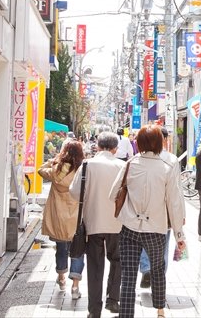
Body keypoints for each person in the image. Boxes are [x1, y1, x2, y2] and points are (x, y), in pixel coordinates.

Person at [110, 125, 186, 318]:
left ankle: (126, 315)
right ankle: (160, 311)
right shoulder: (168, 166)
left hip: (129, 228)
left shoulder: (131, 163)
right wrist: (179, 235)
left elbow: (113, 194)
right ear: (160, 142)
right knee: (158, 269)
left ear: (139, 143)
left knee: (128, 275)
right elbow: (174, 202)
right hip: (156, 229)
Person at [70, 131, 125, 317]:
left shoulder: (87, 165)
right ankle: (113, 300)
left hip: (93, 223)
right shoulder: (122, 165)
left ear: (98, 146)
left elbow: (74, 192)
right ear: (116, 149)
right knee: (117, 261)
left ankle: (94, 310)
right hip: (118, 223)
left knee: (95, 265)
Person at [138, 127, 184, 289]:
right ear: (163, 139)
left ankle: (145, 268)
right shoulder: (171, 160)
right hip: (164, 212)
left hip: (142, 212)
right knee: (162, 245)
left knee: (143, 241)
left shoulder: (137, 159)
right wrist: (180, 216)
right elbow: (177, 192)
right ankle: (159, 277)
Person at [38, 140, 85, 296]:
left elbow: (40, 170)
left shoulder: (57, 169)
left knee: (61, 248)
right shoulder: (82, 170)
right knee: (78, 250)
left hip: (59, 216)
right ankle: (75, 286)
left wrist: (53, 160)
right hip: (77, 217)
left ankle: (61, 277)